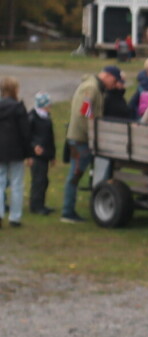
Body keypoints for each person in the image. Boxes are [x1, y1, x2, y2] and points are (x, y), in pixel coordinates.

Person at [61, 66, 120, 222]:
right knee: (75, 174)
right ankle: (67, 212)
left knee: (77, 173)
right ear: (107, 76)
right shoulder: (91, 88)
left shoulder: (94, 87)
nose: (113, 85)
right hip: (81, 138)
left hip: (83, 137)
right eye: (113, 81)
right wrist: (91, 134)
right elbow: (85, 112)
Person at [0, 76, 32, 228]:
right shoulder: (18, 108)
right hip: (16, 150)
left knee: (0, 183)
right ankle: (15, 217)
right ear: (14, 90)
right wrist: (29, 153)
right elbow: (25, 133)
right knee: (17, 184)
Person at [27, 91, 56, 216]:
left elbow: (50, 138)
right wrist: (32, 148)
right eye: (48, 104)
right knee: (38, 180)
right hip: (36, 155)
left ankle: (41, 203)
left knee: (44, 180)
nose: (50, 107)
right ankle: (36, 206)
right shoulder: (32, 117)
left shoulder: (46, 118)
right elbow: (26, 137)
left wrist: (52, 156)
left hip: (45, 155)